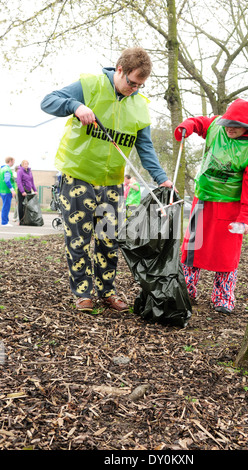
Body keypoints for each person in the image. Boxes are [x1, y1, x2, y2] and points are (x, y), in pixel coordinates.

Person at [40, 47, 173, 314]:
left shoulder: (138, 106)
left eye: (140, 85)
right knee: (79, 239)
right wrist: (75, 106)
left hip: (111, 182)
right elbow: (48, 101)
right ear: (119, 69)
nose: (134, 89)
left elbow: (144, 148)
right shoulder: (90, 86)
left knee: (109, 240)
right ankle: (82, 294)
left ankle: (107, 291)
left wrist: (162, 179)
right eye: (131, 82)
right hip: (78, 175)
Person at [174, 98, 248, 314]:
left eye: (236, 125)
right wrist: (187, 126)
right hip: (204, 199)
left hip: (231, 208)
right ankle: (185, 289)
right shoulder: (218, 126)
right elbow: (198, 122)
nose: (230, 129)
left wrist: (247, 218)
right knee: (191, 246)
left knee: (227, 253)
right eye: (228, 123)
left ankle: (223, 296)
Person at [16, 160, 38, 224]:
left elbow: (32, 181)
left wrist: (35, 190)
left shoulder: (29, 171)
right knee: (21, 205)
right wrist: (22, 191)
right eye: (24, 164)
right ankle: (21, 220)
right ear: (22, 164)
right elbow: (19, 182)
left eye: (27, 164)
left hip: (28, 190)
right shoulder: (20, 171)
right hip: (22, 191)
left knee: (27, 206)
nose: (26, 165)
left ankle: (26, 220)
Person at [0, 157, 16, 227]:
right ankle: (4, 222)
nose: (14, 163)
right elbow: (7, 180)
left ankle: (5, 221)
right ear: (10, 161)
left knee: (5, 206)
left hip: (2, 190)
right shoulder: (7, 169)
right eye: (13, 161)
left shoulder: (2, 168)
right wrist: (12, 190)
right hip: (6, 191)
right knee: (6, 206)